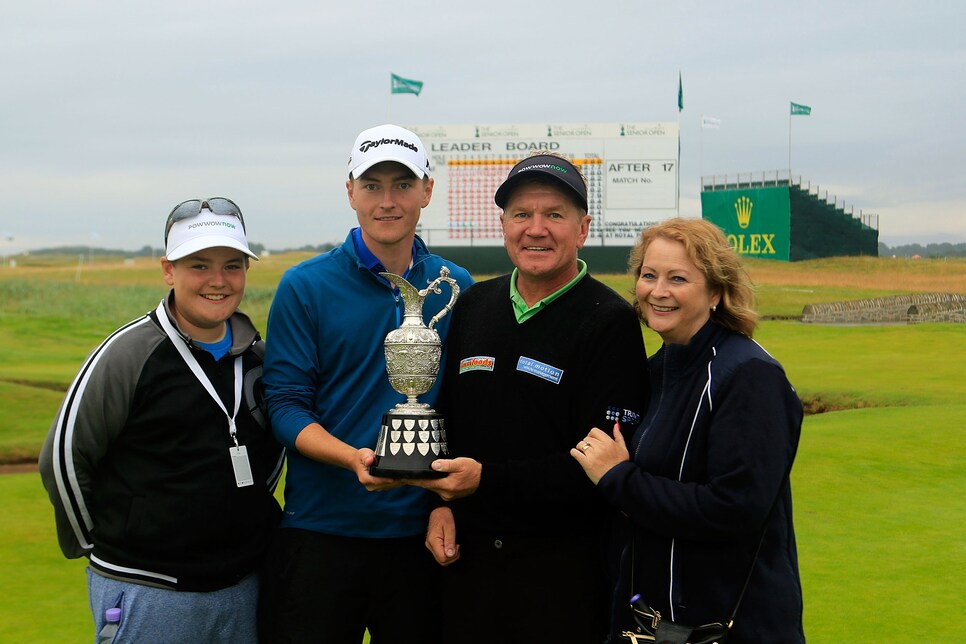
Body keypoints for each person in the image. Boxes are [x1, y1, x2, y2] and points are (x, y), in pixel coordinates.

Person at [414, 153, 651, 643]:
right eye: (522, 214)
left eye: (555, 215)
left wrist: (486, 481)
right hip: (467, 568)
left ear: (583, 228)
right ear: (503, 224)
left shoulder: (610, 321)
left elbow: (599, 465)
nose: (536, 229)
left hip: (562, 578)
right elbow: (447, 420)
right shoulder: (476, 304)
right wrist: (438, 505)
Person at [258, 124, 474, 643]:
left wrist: (445, 504)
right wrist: (352, 458)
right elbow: (286, 406)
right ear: (350, 191)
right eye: (372, 185)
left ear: (426, 190)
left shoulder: (456, 286)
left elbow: (466, 411)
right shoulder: (305, 285)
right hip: (320, 531)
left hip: (418, 536)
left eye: (402, 184)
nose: (387, 201)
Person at [39, 198, 284, 643]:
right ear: (168, 269)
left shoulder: (259, 359)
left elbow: (270, 458)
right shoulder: (129, 353)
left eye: (232, 265)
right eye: (199, 265)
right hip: (147, 589)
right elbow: (62, 458)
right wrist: (110, 544)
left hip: (245, 586)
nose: (218, 281)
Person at [571, 217, 805, 643]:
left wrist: (619, 479)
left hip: (732, 629)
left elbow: (734, 508)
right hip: (655, 627)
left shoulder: (749, 375)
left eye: (678, 278)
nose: (658, 291)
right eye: (649, 275)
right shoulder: (657, 370)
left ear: (716, 291)